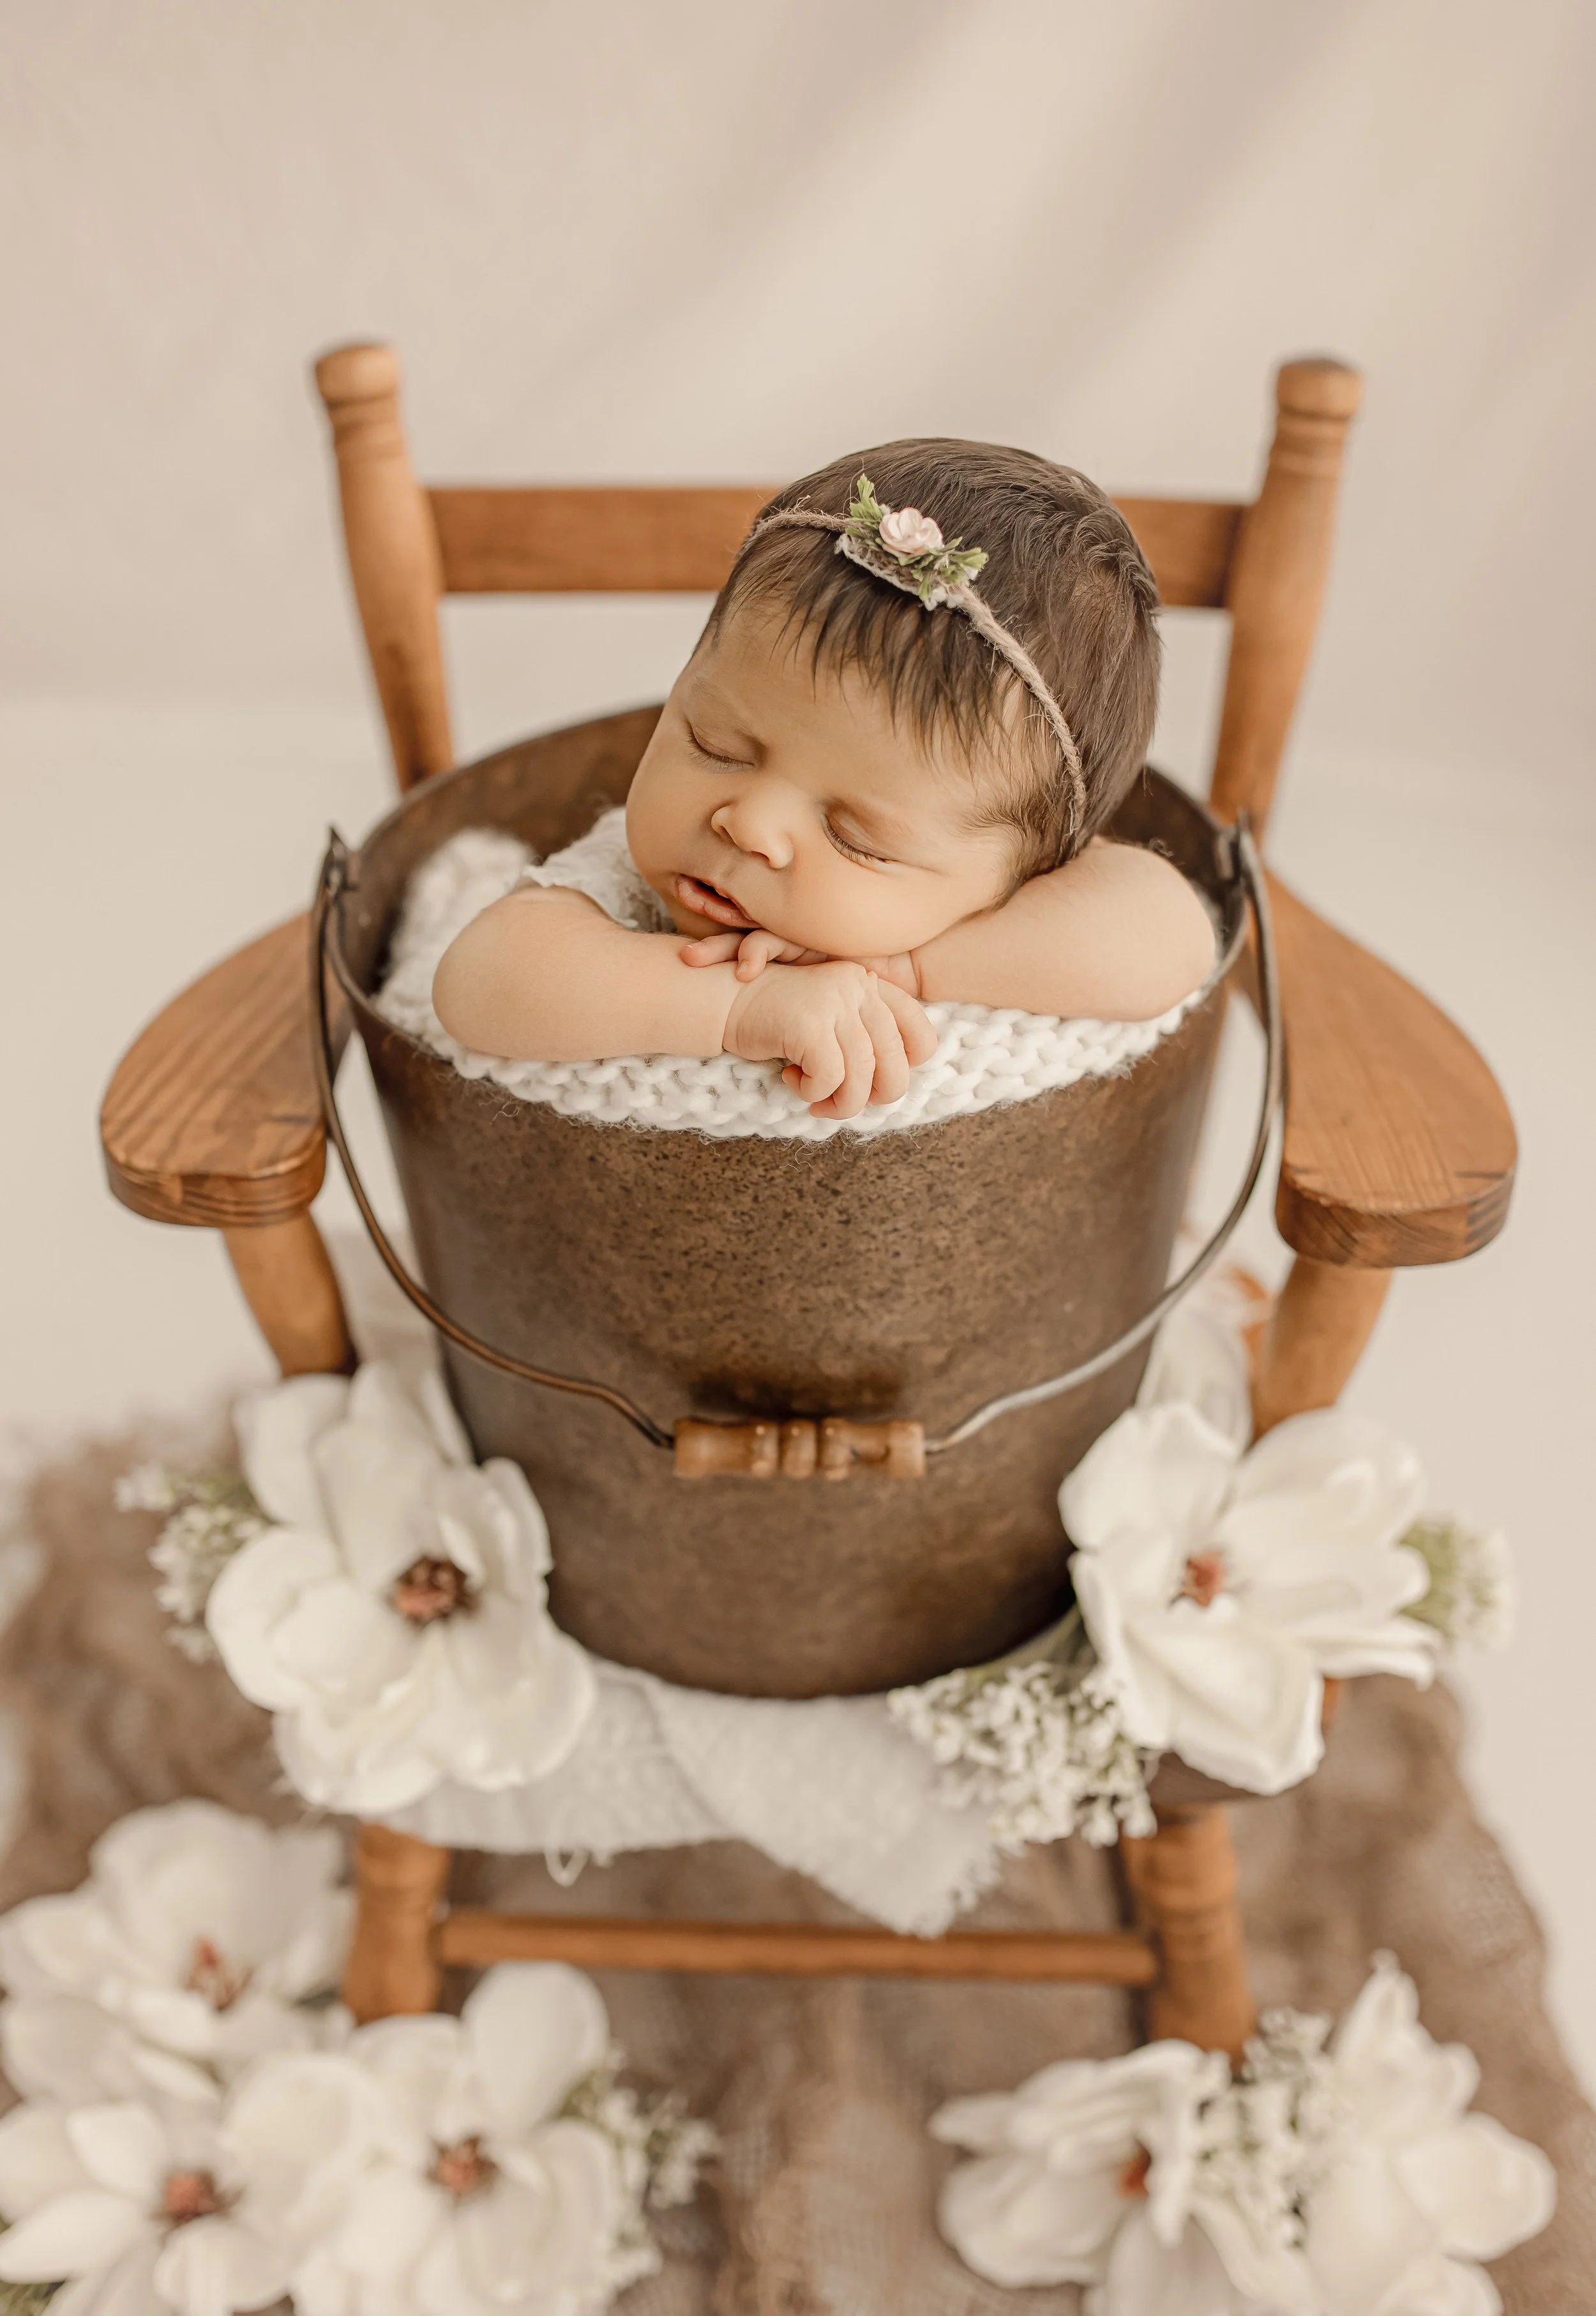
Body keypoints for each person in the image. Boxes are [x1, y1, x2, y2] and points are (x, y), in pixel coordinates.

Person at [432, 443, 1216, 1121]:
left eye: (856, 838)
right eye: (717, 745)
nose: (747, 824)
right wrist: (736, 1006)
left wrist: (909, 968)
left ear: (1018, 878)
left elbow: (1172, 940)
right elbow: (483, 981)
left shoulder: (993, 915)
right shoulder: (631, 884)